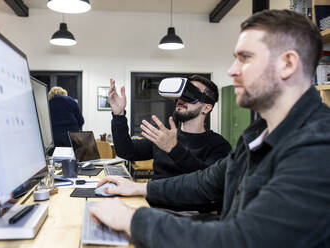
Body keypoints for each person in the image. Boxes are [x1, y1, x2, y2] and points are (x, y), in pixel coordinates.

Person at [89, 9, 330, 247]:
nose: (232, 70)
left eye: (245, 58)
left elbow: (241, 240)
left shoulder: (317, 147)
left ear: (287, 64)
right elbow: (204, 182)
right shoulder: (257, 135)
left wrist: (132, 218)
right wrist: (139, 187)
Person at [109, 75, 231, 180]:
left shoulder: (219, 145)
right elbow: (125, 151)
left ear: (206, 108)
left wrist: (174, 149)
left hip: (188, 207)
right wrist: (118, 115)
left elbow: (208, 180)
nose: (181, 99)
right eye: (181, 93)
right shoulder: (165, 136)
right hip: (152, 203)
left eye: (190, 93)